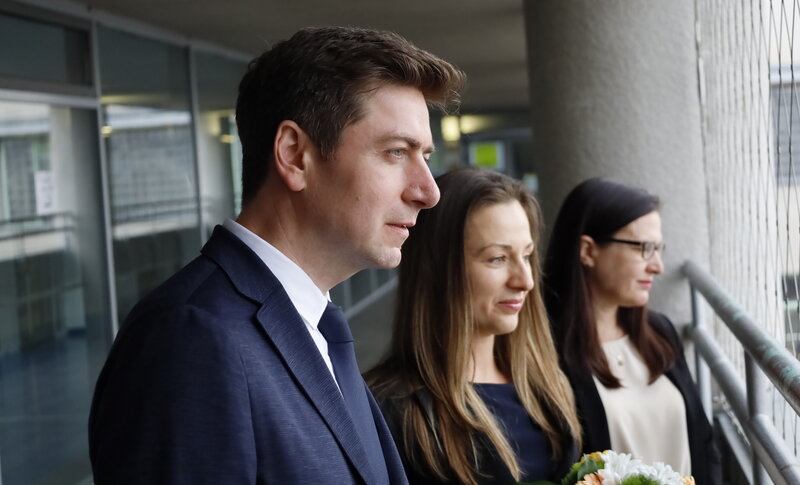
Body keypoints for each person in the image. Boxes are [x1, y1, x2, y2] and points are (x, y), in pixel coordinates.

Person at [88, 26, 465, 485]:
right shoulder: (190, 337)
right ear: (294, 154)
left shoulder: (314, 322)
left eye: (425, 156)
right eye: (396, 152)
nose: (428, 192)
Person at [366, 168, 582, 485]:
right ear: (438, 271)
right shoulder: (389, 410)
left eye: (526, 256)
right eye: (497, 258)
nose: (525, 281)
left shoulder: (548, 383)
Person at [542, 178, 721, 484]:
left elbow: (705, 444)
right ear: (588, 251)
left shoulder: (660, 332)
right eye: (645, 249)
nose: (658, 266)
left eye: (658, 249)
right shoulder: (545, 351)